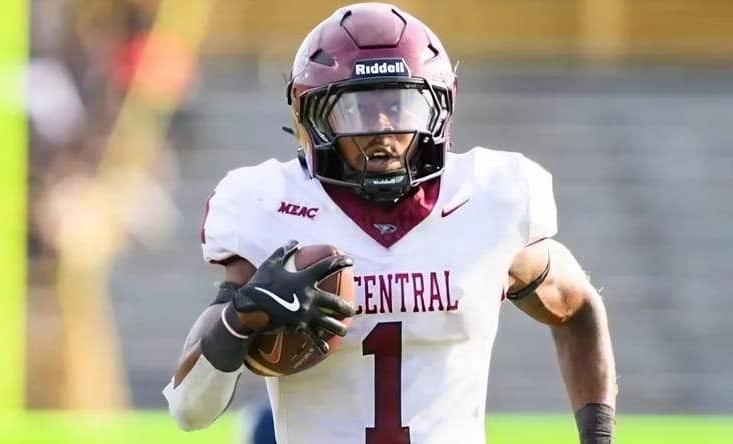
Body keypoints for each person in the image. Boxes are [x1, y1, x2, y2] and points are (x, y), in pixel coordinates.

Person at [162, 3, 618, 443]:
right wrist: (242, 316)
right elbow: (188, 411)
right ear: (314, 117)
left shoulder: (489, 199)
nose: (381, 129)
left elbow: (577, 309)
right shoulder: (267, 209)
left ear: (437, 108)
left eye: (400, 107)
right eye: (356, 109)